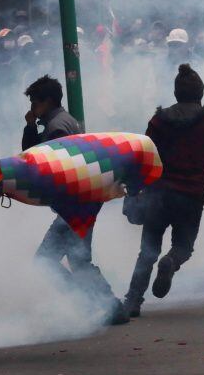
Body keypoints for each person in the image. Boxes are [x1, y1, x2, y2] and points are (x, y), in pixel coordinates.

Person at [123, 65, 204, 317]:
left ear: (176, 93)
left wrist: (135, 191)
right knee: (183, 247)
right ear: (201, 93)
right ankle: (171, 262)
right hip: (191, 196)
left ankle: (132, 301)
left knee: (147, 251)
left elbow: (143, 157)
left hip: (158, 194)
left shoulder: (158, 121)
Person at [22, 76, 129, 326]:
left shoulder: (57, 128)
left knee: (47, 262)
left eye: (35, 102)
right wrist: (29, 126)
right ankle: (107, 306)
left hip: (75, 204)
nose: (32, 108)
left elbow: (42, 165)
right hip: (80, 202)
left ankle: (98, 304)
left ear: (46, 101)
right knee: (77, 260)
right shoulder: (62, 121)